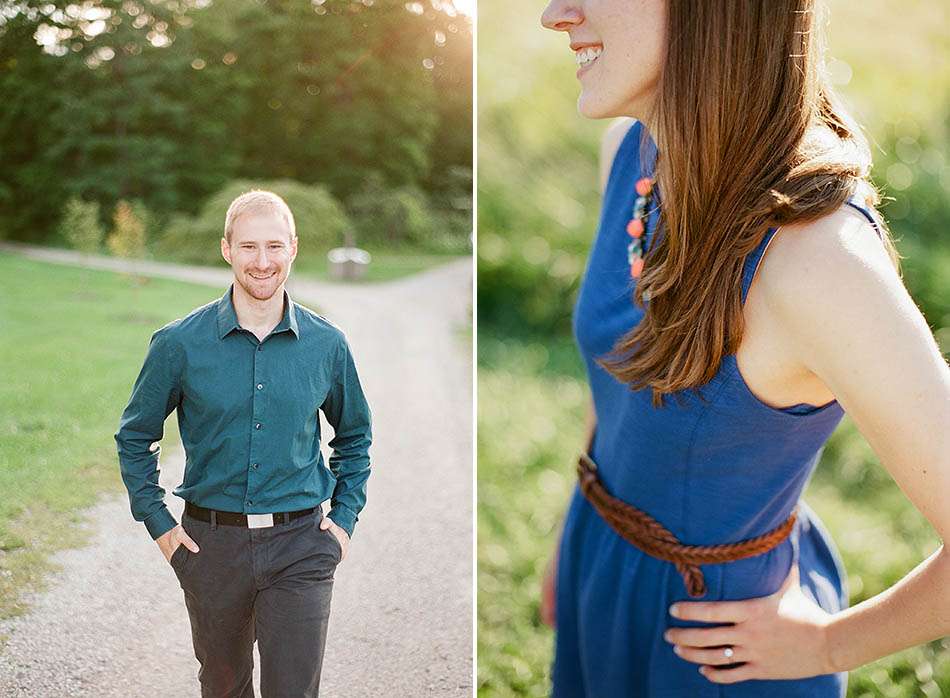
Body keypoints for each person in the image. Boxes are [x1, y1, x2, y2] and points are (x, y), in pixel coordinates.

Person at [539, 1, 950, 696]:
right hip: (603, 567)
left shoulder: (821, 260)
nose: (555, 13)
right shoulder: (634, 152)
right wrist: (577, 538)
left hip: (718, 649)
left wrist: (826, 643)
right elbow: (620, 380)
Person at [114, 190, 373, 697]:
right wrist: (161, 526)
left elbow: (355, 437)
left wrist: (341, 523)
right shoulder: (178, 344)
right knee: (224, 687)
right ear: (226, 250)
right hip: (211, 548)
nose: (262, 262)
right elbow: (135, 436)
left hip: (301, 545)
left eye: (274, 246)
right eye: (249, 247)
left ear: (293, 249)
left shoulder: (328, 345)